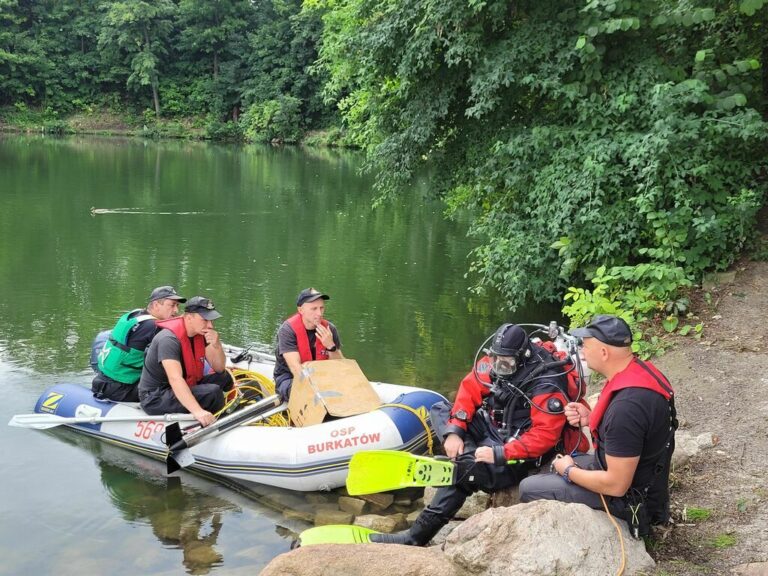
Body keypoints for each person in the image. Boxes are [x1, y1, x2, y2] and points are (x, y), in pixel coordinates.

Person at [372, 322, 588, 546]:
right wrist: (455, 432)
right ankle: (467, 454)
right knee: (441, 409)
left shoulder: (547, 382)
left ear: (522, 356)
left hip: (518, 452)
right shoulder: (501, 359)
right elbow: (470, 387)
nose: (497, 366)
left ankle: (415, 537)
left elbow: (544, 436)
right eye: (495, 359)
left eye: (505, 363)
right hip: (494, 427)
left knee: (463, 476)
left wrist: (500, 453)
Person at [518, 315, 677, 538]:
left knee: (529, 487)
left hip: (631, 499)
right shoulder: (639, 372)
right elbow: (632, 434)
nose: (581, 351)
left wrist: (570, 471)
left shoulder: (626, 408)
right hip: (644, 478)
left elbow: (616, 485)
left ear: (604, 353)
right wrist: (591, 418)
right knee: (551, 466)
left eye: (586, 345)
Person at [138, 296, 233, 427]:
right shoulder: (168, 339)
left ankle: (228, 408)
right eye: (205, 320)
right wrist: (198, 411)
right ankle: (221, 423)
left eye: (211, 320)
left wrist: (217, 346)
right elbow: (175, 378)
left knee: (224, 378)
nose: (210, 325)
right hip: (155, 397)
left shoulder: (201, 334)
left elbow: (219, 368)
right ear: (189, 318)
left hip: (183, 385)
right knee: (212, 392)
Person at [92, 286, 187, 402]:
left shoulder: (136, 315)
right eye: (172, 305)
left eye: (177, 306)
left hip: (103, 381)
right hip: (122, 389)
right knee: (177, 385)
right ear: (156, 305)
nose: (176, 310)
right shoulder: (153, 327)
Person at [273, 287, 344, 402]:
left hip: (320, 377)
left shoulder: (330, 329)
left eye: (321, 308)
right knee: (308, 395)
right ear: (301, 310)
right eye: (314, 309)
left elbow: (339, 365)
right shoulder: (287, 330)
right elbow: (295, 368)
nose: (319, 313)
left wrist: (331, 346)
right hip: (289, 378)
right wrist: (317, 390)